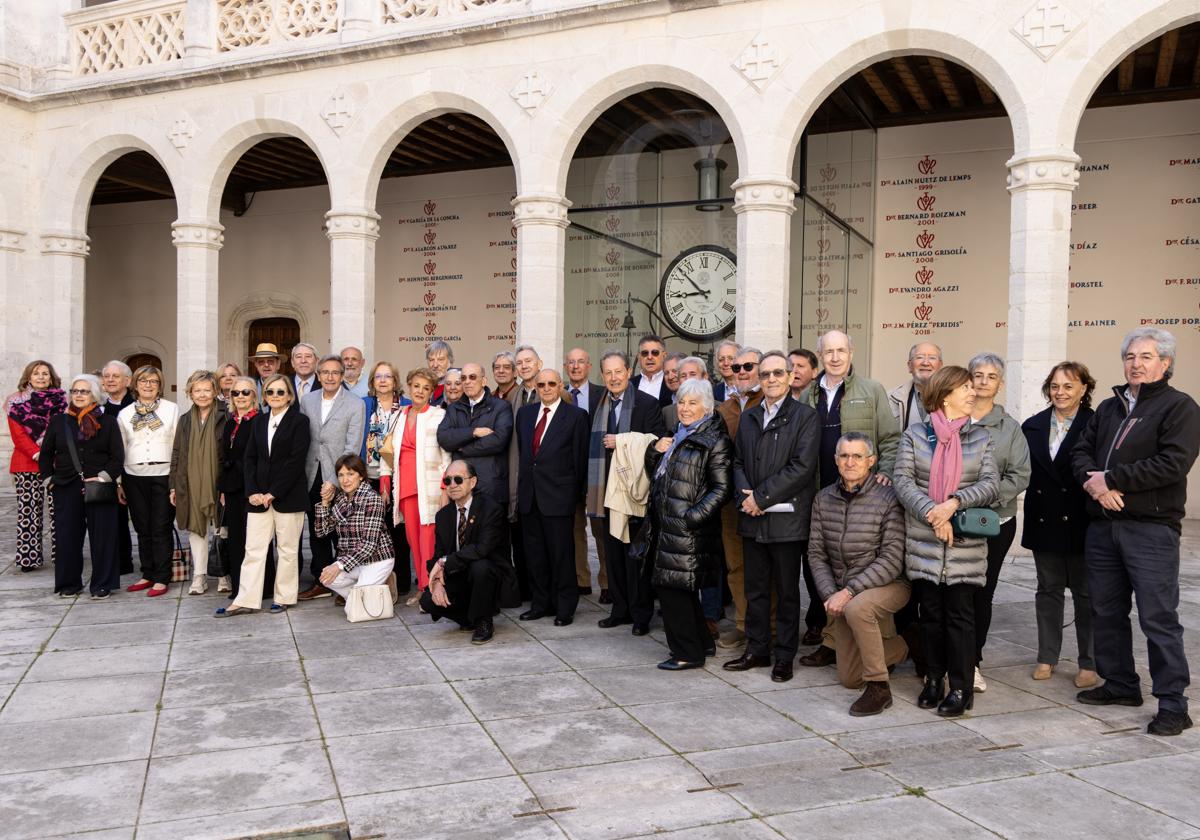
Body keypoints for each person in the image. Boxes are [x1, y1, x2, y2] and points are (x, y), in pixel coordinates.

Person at [1072, 327, 1200, 736]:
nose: (1136, 364)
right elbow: (1080, 452)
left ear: (1165, 363)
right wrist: (1095, 484)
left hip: (1151, 530)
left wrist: (1111, 479)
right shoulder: (1109, 407)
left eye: (1146, 357)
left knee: (1158, 617)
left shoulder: (1180, 407)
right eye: (1130, 356)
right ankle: (1122, 684)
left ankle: (1174, 704)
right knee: (1105, 611)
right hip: (1103, 527)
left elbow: (1172, 464)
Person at [894, 365, 998, 718]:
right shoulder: (914, 436)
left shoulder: (980, 437)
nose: (974, 392)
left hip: (964, 545)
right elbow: (903, 482)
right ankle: (933, 680)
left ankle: (962, 688)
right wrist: (933, 514)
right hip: (924, 541)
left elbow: (990, 485)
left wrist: (952, 505)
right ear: (945, 394)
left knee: (961, 618)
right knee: (931, 617)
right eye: (966, 387)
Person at [801, 329, 899, 669]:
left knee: (855, 564)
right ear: (820, 356)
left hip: (861, 492)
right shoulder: (808, 394)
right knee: (822, 564)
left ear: (851, 353)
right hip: (820, 492)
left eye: (841, 350)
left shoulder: (871, 390)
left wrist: (884, 469)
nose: (835, 357)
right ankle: (830, 639)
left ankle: (872, 640)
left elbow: (889, 437)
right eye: (828, 351)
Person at [726, 350, 819, 684]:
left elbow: (802, 467)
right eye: (765, 375)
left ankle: (784, 656)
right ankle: (757, 649)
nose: (771, 380)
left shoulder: (805, 417)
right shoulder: (750, 418)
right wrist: (746, 497)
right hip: (753, 518)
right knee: (756, 590)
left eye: (777, 373)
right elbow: (737, 462)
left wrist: (761, 498)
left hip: (786, 520)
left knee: (787, 591)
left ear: (790, 375)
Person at [808, 433, 909, 715]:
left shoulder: (888, 498)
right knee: (850, 678)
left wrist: (849, 592)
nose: (850, 462)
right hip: (842, 590)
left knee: (858, 608)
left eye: (857, 456)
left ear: (872, 461)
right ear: (836, 460)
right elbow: (816, 554)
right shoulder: (822, 499)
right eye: (844, 455)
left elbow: (892, 559)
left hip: (890, 584)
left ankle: (879, 688)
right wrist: (831, 594)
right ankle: (907, 645)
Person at [643, 378, 732, 670]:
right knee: (680, 589)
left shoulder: (714, 439)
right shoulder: (677, 433)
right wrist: (655, 450)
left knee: (673, 590)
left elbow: (721, 490)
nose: (685, 408)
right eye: (681, 402)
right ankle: (702, 644)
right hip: (665, 525)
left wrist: (690, 518)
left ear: (707, 407)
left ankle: (686, 653)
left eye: (693, 403)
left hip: (687, 530)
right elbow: (656, 472)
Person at [1021, 361, 1097, 688]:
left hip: (1082, 521)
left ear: (1084, 389)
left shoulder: (1097, 424)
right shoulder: (1033, 425)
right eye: (1055, 386)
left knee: (1085, 594)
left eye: (1068, 386)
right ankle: (1047, 656)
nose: (1060, 392)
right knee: (1048, 591)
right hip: (1044, 521)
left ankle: (1089, 663)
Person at [217, 373, 310, 616]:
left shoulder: (299, 422)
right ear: (265, 396)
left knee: (288, 550)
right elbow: (250, 459)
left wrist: (273, 493)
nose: (275, 396)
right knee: (254, 549)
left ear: (289, 396)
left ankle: (284, 596)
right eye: (270, 392)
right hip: (258, 498)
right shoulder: (259, 421)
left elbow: (295, 462)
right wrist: (254, 492)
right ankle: (246, 599)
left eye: (281, 392)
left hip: (288, 496)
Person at [589, 350, 667, 634]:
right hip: (606, 493)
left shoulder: (647, 404)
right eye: (608, 373)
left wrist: (622, 442)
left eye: (618, 371)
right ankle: (619, 610)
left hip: (636, 493)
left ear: (627, 372)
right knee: (613, 556)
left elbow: (658, 444)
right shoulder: (599, 405)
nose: (613, 378)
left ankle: (641, 614)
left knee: (636, 558)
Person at [966, 352, 1031, 692]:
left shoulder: (1010, 429)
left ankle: (972, 662)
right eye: (978, 374)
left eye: (991, 376)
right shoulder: (951, 419)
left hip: (995, 521)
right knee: (948, 593)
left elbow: (1020, 475)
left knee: (981, 592)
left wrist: (975, 497)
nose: (983, 381)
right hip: (951, 520)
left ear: (1000, 384)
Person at [516, 368, 590, 624]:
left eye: (551, 383)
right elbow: (526, 456)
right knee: (535, 556)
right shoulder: (524, 415)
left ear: (561, 386)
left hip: (559, 497)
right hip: (530, 496)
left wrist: (576, 496)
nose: (546, 388)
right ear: (535, 387)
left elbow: (579, 460)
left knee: (561, 555)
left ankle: (565, 606)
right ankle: (541, 604)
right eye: (541, 384)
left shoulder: (576, 416)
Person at [39, 374, 123, 598]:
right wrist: (49, 480)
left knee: (103, 538)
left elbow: (117, 457)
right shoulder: (59, 421)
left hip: (99, 487)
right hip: (66, 487)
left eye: (84, 391)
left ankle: (102, 584)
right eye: (75, 391)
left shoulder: (108, 422)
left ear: (94, 395)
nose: (78, 395)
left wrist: (105, 476)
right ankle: (69, 583)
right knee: (67, 537)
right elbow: (46, 454)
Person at [421, 460, 515, 644]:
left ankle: (484, 621)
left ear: (472, 482)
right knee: (427, 600)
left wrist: (445, 562)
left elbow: (482, 548)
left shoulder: (490, 508)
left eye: (458, 479)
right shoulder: (443, 516)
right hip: (460, 573)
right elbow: (437, 555)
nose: (453, 485)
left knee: (480, 567)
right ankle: (469, 618)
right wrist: (438, 582)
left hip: (490, 575)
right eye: (448, 481)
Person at [380, 367, 451, 605]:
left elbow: (446, 456)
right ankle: (422, 587)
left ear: (432, 392)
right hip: (405, 487)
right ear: (409, 387)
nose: (420, 391)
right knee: (413, 540)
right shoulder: (400, 414)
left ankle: (431, 590)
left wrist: (444, 488)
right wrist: (385, 481)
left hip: (429, 488)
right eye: (416, 386)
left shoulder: (438, 415)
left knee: (428, 540)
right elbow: (388, 452)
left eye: (426, 388)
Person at [297, 355, 366, 601]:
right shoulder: (307, 400)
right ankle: (322, 581)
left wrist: (336, 481)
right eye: (324, 372)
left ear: (342, 375)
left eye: (335, 372)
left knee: (342, 531)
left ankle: (343, 582)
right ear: (318, 375)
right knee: (317, 531)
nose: (329, 377)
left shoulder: (355, 404)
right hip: (310, 474)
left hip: (340, 478)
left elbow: (352, 446)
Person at [715, 348, 763, 650]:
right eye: (736, 367)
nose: (741, 371)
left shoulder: (769, 403)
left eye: (748, 366)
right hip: (731, 502)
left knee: (763, 569)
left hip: (763, 500)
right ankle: (743, 624)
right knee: (735, 565)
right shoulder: (726, 408)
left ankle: (765, 628)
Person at [118, 365, 180, 597]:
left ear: (159, 385)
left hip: (163, 475)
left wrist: (175, 481)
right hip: (133, 475)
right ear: (135, 384)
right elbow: (121, 447)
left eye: (153, 381)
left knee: (161, 527)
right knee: (142, 527)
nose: (148, 385)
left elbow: (177, 445)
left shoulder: (171, 409)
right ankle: (148, 573)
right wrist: (119, 482)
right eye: (143, 380)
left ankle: (162, 577)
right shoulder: (125, 414)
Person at [169, 370, 229, 596]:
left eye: (207, 390)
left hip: (218, 482)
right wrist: (173, 484)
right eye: (197, 390)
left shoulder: (226, 415)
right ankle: (200, 576)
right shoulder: (185, 420)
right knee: (197, 530)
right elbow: (177, 453)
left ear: (215, 392)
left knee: (222, 528)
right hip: (190, 482)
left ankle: (224, 573)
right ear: (190, 393)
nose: (202, 394)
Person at [315, 454, 396, 617]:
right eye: (341, 475)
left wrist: (338, 565)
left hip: (376, 559)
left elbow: (369, 545)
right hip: (354, 562)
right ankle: (365, 592)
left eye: (350, 474)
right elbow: (321, 531)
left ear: (361, 476)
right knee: (326, 578)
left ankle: (370, 588)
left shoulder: (372, 499)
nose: (345, 480)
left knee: (353, 610)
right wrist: (325, 503)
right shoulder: (340, 499)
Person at [7, 360, 66, 571]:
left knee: (59, 510)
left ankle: (63, 555)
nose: (41, 377)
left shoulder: (62, 401)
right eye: (36, 373)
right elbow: (18, 436)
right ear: (28, 377)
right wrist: (38, 454)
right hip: (26, 463)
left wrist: (50, 454)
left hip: (56, 463)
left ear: (51, 377)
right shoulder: (15, 402)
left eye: (45, 374)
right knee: (28, 511)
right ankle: (28, 558)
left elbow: (63, 431)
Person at [361, 361, 411, 595]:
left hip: (397, 477)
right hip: (369, 476)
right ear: (372, 382)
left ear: (395, 381)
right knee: (372, 531)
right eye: (378, 376)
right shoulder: (364, 405)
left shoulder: (407, 406)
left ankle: (400, 583)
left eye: (388, 376)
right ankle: (374, 582)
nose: (383, 380)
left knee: (398, 531)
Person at [437, 361, 513, 512]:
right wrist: (474, 432)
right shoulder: (454, 408)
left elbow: (499, 441)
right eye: (463, 378)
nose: (467, 382)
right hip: (460, 489)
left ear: (484, 381)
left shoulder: (501, 407)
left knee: (491, 535)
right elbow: (444, 438)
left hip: (490, 488)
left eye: (472, 377)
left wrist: (462, 448)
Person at [565, 347, 609, 599]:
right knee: (575, 530)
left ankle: (606, 583)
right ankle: (581, 580)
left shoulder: (602, 395)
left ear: (589, 366)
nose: (575, 366)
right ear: (565, 366)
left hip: (596, 474)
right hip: (571, 475)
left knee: (600, 532)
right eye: (571, 362)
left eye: (580, 362)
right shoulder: (559, 395)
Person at [219, 375, 265, 600]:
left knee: (256, 541)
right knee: (236, 539)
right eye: (235, 393)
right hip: (232, 489)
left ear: (254, 396)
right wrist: (222, 490)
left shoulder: (260, 421)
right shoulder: (229, 423)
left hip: (253, 489)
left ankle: (261, 588)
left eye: (245, 392)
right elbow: (224, 456)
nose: (239, 397)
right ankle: (239, 588)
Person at [506, 344, 543, 600]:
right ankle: (529, 591)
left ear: (538, 364)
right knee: (524, 540)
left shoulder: (556, 393)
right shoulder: (513, 398)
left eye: (529, 361)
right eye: (520, 363)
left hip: (547, 480)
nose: (524, 366)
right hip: (520, 475)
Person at [101, 360, 135, 575]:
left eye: (116, 376)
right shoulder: (99, 408)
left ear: (128, 381)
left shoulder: (137, 404)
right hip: (111, 470)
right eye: (107, 377)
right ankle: (121, 562)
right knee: (114, 518)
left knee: (144, 519)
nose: (111, 380)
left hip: (136, 467)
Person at [889, 343, 943, 430]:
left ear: (940, 366)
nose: (926, 363)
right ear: (910, 366)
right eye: (919, 357)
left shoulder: (954, 396)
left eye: (932, 358)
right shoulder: (891, 398)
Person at [630, 334, 673, 408]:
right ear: (639, 357)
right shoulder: (630, 384)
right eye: (645, 353)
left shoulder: (672, 383)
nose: (649, 357)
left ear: (664, 355)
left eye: (655, 352)